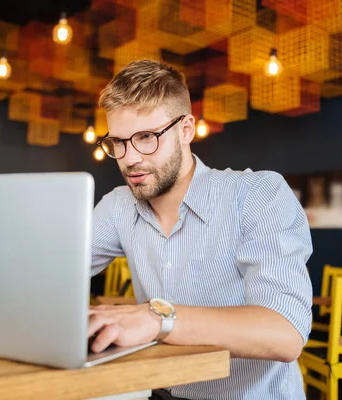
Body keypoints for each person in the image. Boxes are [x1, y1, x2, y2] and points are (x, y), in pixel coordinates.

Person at [88, 59, 313, 400]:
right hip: (162, 392)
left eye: (146, 137)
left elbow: (284, 333)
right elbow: (51, 272)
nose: (130, 158)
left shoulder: (257, 195)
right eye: (118, 142)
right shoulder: (119, 206)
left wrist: (157, 319)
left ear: (186, 130)